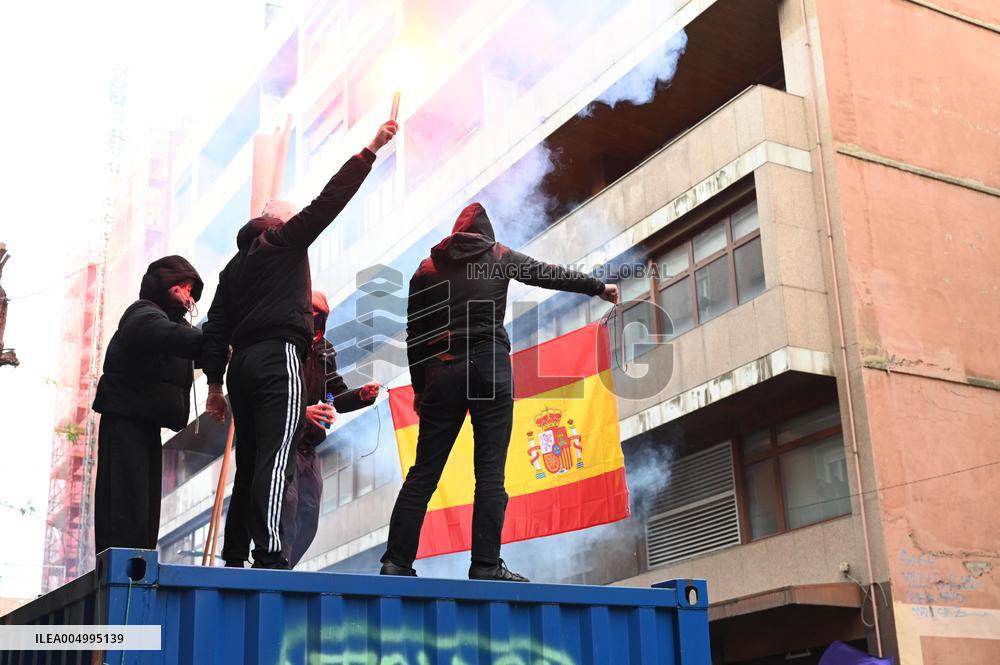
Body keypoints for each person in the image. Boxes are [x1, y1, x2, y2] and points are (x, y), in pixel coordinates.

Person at [380, 203, 619, 581]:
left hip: (440, 370)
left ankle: (396, 563)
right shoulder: (497, 255)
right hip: (489, 366)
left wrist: (422, 389)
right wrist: (597, 288)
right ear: (485, 234)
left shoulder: (426, 270)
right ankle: (486, 565)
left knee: (423, 473)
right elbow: (548, 275)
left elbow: (416, 338)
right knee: (489, 472)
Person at [203, 120, 397, 569]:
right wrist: (372, 148)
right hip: (277, 358)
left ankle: (235, 558)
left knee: (249, 464)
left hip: (241, 369)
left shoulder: (232, 269)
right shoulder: (283, 243)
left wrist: (215, 386)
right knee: (277, 456)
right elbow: (330, 201)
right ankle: (270, 553)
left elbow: (216, 327)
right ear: (282, 224)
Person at [92, 255, 204, 554]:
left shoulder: (175, 326)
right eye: (181, 285)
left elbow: (193, 344)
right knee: (125, 507)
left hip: (147, 423)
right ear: (164, 285)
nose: (187, 293)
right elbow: (165, 334)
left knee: (145, 511)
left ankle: (137, 567)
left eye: (191, 288)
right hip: (125, 420)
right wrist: (210, 343)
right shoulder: (142, 313)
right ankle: (122, 577)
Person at [283, 291, 380, 567]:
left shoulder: (325, 348)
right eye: (310, 312)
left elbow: (334, 396)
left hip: (309, 449)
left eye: (319, 315)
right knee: (285, 511)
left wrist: (361, 395)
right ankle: (275, 568)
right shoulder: (285, 344)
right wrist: (303, 412)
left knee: (308, 515)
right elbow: (270, 395)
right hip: (283, 443)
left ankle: (286, 568)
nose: (314, 319)